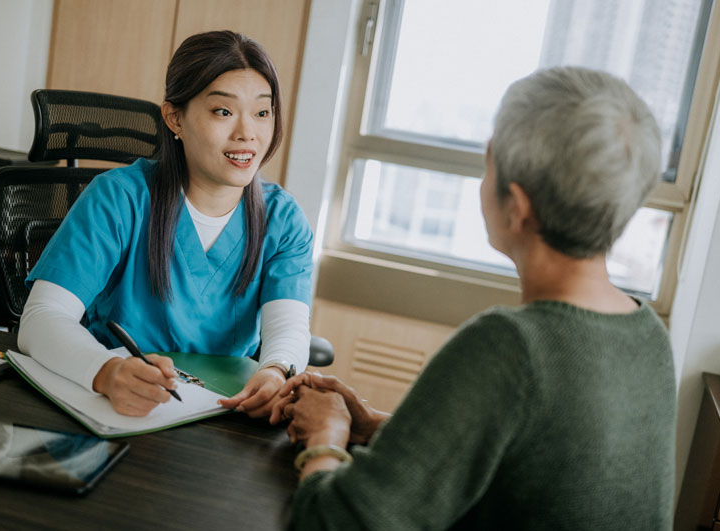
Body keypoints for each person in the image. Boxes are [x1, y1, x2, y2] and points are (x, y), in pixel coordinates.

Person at [271, 66, 676, 529]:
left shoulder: (509, 347)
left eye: (489, 160)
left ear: (518, 206)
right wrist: (378, 430)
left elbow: (336, 523)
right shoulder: (648, 335)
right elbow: (535, 467)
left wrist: (327, 437)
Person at [17, 30, 313, 418]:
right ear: (175, 117)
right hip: (118, 406)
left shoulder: (283, 220)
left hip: (219, 414)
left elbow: (289, 327)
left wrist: (275, 371)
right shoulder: (119, 198)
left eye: (262, 112)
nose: (247, 133)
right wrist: (106, 373)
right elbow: (41, 319)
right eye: (223, 111)